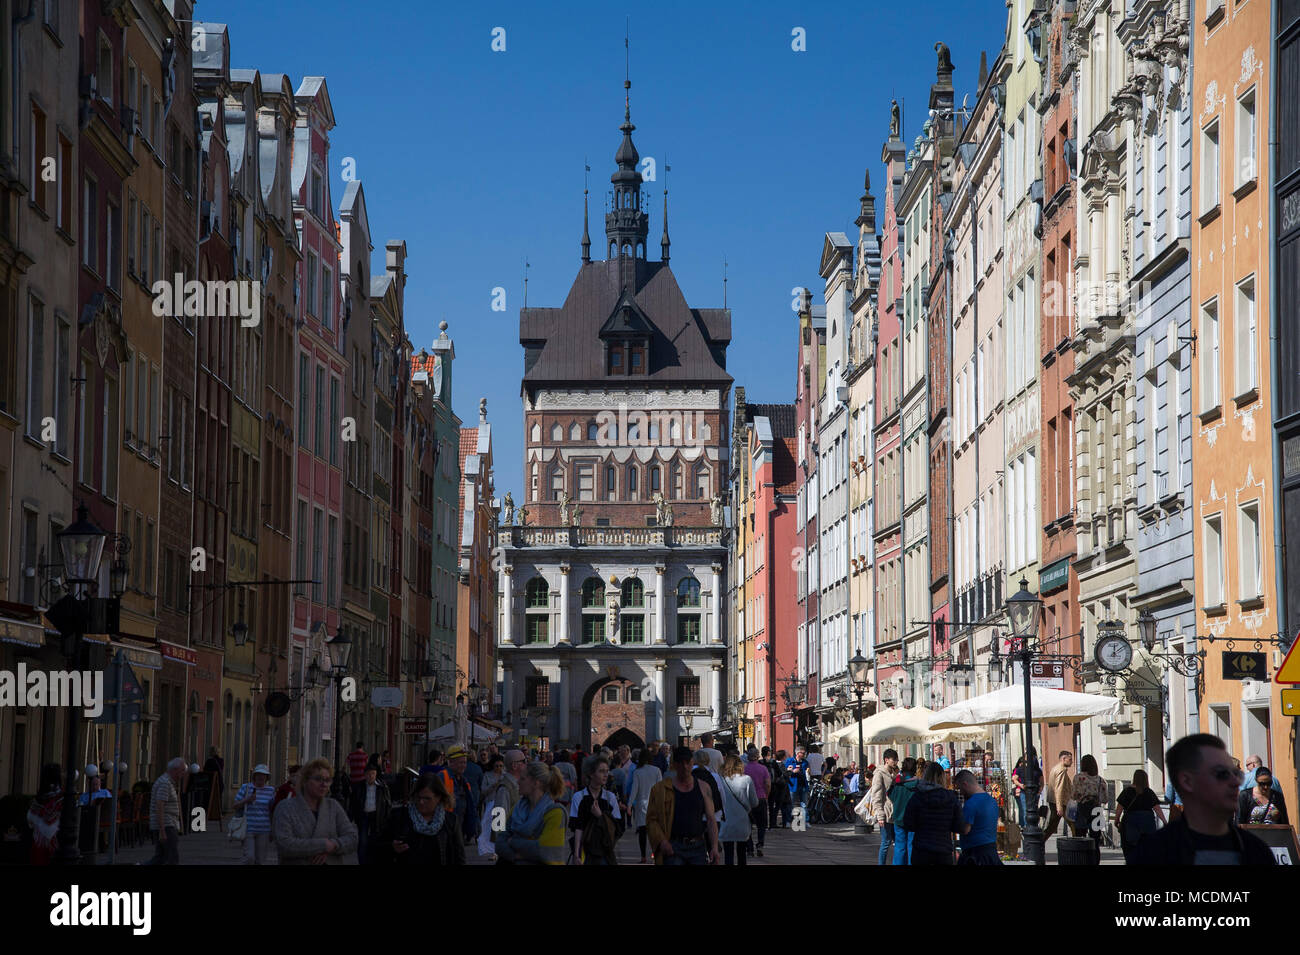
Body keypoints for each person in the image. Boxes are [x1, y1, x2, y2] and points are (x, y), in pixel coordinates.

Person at [1131, 734, 1275, 865]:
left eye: (1234, 773)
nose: (1234, 782)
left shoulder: (1255, 850)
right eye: (1220, 774)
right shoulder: (1154, 851)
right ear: (1187, 782)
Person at [272, 758, 358, 865]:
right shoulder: (286, 808)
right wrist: (322, 845)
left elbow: (352, 837)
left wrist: (333, 845)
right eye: (318, 779)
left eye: (327, 780)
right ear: (305, 781)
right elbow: (284, 844)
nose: (324, 784)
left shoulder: (333, 807)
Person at [646, 746, 721, 865]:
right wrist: (662, 841)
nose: (685, 767)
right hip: (673, 846)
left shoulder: (703, 787)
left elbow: (711, 820)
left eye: (687, 763)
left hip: (697, 846)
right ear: (675, 765)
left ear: (692, 762)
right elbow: (651, 820)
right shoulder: (661, 789)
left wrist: (714, 847)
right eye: (681, 763)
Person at [371, 772, 465, 865]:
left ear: (438, 797)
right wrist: (392, 848)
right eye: (418, 797)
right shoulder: (400, 817)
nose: (421, 802)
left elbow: (459, 857)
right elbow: (376, 847)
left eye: (427, 798)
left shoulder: (451, 822)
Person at [495, 761, 567, 865]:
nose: (518, 781)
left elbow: (544, 851)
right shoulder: (517, 808)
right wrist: (515, 856)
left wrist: (512, 841)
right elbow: (499, 844)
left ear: (536, 783)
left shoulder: (555, 812)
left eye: (523, 778)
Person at [902, 760, 966, 865]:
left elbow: (908, 824)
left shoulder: (917, 796)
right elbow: (959, 826)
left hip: (921, 849)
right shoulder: (951, 798)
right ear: (942, 778)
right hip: (943, 850)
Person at [571, 755, 622, 865]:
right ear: (591, 774)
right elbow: (577, 828)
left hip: (604, 852)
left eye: (607, 771)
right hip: (585, 852)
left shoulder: (610, 797)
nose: (605, 775)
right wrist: (576, 854)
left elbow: (617, 827)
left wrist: (600, 816)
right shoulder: (579, 797)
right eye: (601, 771)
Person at [1114, 769, 1165, 864]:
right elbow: (1157, 808)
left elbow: (1120, 808)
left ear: (1134, 779)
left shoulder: (1127, 791)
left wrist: (1116, 820)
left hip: (1130, 824)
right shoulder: (1149, 792)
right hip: (1147, 824)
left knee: (1130, 849)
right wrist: (1164, 821)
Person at [954, 770, 1001, 866]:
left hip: (974, 854)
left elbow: (965, 829)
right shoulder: (992, 801)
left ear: (965, 784)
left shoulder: (970, 803)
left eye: (960, 789)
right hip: (991, 852)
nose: (961, 793)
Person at [233, 764, 276, 865]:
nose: (261, 777)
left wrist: (272, 830)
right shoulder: (246, 787)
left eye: (264, 775)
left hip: (264, 829)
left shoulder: (271, 790)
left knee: (260, 860)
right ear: (254, 776)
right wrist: (247, 800)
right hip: (248, 828)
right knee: (249, 857)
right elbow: (235, 806)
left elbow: (272, 811)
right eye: (258, 774)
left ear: (267, 777)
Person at [720, 755, 759, 865]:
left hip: (726, 820)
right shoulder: (746, 779)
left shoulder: (721, 779)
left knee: (728, 854)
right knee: (742, 853)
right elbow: (755, 802)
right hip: (742, 820)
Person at [148, 758, 187, 865]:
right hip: (166, 825)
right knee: (172, 858)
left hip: (168, 824)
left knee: (161, 858)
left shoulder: (168, 782)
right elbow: (159, 806)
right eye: (182, 770)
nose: (184, 774)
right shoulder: (165, 783)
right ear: (175, 770)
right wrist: (162, 830)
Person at [350, 764, 392, 864]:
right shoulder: (360, 786)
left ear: (376, 774)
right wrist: (352, 817)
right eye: (368, 774)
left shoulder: (382, 786)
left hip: (376, 815)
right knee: (363, 841)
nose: (371, 776)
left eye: (373, 774)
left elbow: (388, 803)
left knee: (375, 840)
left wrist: (386, 817)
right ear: (365, 775)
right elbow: (354, 803)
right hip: (364, 815)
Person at [627, 747, 663, 863]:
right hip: (654, 804)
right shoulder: (657, 770)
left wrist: (629, 805)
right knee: (654, 832)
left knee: (642, 832)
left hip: (641, 804)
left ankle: (643, 856)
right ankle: (654, 853)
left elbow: (634, 790)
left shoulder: (637, 772)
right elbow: (660, 789)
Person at [1070, 754, 1106, 863]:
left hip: (1082, 809)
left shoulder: (1078, 778)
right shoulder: (1100, 780)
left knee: (1080, 838)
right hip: (1096, 810)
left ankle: (1082, 860)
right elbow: (1105, 799)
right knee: (1095, 840)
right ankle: (1094, 861)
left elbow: (1074, 795)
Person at [26, 764, 64, 865]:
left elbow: (30, 819)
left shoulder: (39, 798)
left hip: (39, 842)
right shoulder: (61, 798)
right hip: (55, 842)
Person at [888, 757, 921, 865]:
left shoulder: (897, 785)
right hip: (914, 820)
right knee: (912, 846)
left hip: (898, 818)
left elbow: (891, 797)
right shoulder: (918, 785)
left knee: (899, 847)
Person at [444, 745, 479, 843]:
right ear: (451, 762)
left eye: (465, 762)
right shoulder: (442, 777)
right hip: (446, 828)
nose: (464, 765)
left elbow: (470, 806)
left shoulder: (464, 781)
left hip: (459, 829)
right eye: (460, 762)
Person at [869, 749, 898, 866]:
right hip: (885, 812)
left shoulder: (894, 772)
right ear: (887, 760)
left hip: (895, 812)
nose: (896, 762)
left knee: (897, 842)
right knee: (886, 842)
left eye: (897, 759)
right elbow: (876, 795)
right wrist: (880, 814)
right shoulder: (879, 773)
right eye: (894, 759)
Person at [743, 745, 770, 857]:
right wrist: (766, 796)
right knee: (761, 824)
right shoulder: (763, 768)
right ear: (758, 756)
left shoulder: (744, 769)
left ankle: (749, 847)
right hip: (761, 798)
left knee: (747, 824)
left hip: (747, 800)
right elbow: (768, 784)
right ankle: (760, 844)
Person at [1042, 751, 1074, 840]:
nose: (1072, 762)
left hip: (1054, 801)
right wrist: (1059, 806)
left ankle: (1041, 842)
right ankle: (1040, 841)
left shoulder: (1055, 768)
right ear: (1063, 759)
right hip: (1060, 802)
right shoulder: (1061, 770)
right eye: (1070, 759)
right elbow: (1059, 788)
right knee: (1072, 823)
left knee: (1053, 826)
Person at [692, 750, 726, 827]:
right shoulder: (715, 776)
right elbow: (722, 796)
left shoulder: (690, 776)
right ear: (708, 761)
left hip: (695, 816)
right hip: (714, 815)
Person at [203, 746, 225, 825]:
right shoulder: (221, 760)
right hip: (219, 783)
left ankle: (208, 814)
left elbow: (205, 770)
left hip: (210, 783)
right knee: (218, 799)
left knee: (207, 800)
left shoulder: (209, 761)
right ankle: (218, 814)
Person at [784, 747, 810, 814]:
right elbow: (785, 771)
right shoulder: (789, 761)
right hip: (792, 785)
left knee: (804, 804)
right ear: (798, 753)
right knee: (791, 804)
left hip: (803, 785)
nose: (804, 755)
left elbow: (808, 771)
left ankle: (805, 821)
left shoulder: (805, 762)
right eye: (803, 753)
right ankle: (790, 820)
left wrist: (808, 773)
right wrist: (792, 771)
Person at [1010, 757, 1029, 828]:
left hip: (1021, 791)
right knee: (1022, 809)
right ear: (1020, 763)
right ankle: (1023, 824)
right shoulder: (1017, 770)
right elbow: (1014, 779)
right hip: (1020, 791)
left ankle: (1023, 824)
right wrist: (1019, 787)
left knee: (1023, 809)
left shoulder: (1025, 770)